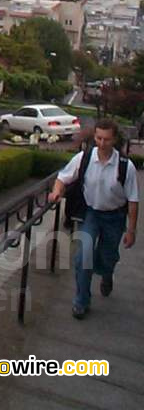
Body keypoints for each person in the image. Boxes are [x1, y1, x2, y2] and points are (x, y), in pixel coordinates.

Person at [48, 118, 139, 319]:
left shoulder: (126, 167)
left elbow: (133, 200)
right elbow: (63, 177)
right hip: (91, 214)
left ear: (114, 140)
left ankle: (107, 274)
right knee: (84, 257)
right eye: (98, 138)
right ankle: (81, 300)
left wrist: (131, 230)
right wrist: (56, 192)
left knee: (108, 256)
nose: (102, 143)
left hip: (114, 217)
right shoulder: (85, 157)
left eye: (106, 139)